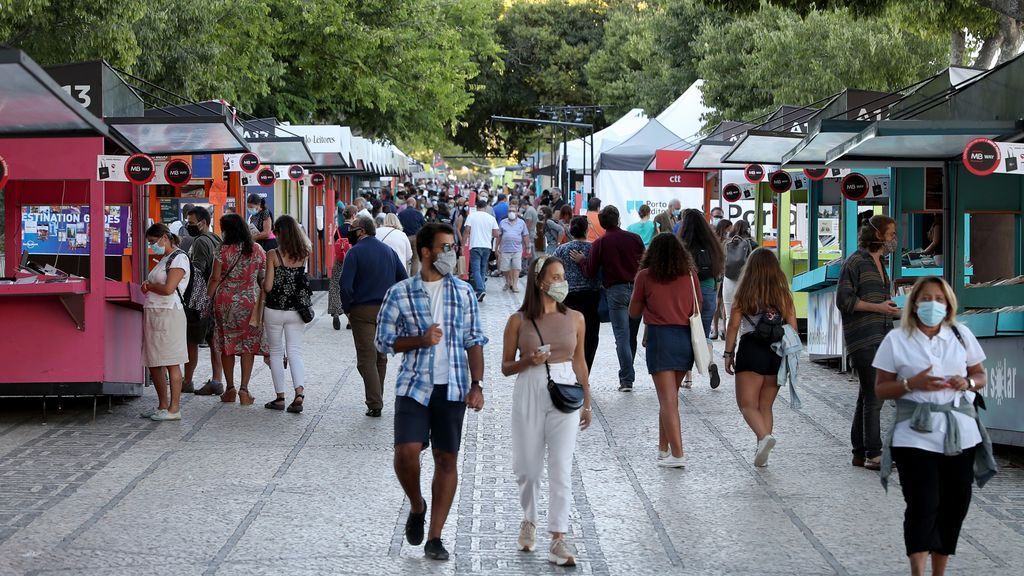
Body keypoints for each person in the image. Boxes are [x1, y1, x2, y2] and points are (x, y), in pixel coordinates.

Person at [376, 223, 487, 561]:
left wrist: (477, 384)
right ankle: (416, 504)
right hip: (414, 385)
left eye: (454, 247)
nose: (451, 253)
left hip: (452, 387)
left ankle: (435, 537)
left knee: (446, 458)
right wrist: (420, 340)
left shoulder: (464, 292)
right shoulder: (400, 292)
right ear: (426, 251)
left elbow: (475, 340)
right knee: (406, 452)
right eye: (445, 247)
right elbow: (382, 341)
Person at [873, 276, 995, 576]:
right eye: (926, 298)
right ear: (914, 303)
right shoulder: (897, 339)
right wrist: (911, 384)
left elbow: (980, 375)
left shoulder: (961, 335)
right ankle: (918, 569)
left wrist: (966, 382)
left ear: (948, 303)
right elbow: (880, 388)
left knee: (955, 505)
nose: (932, 304)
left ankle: (939, 569)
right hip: (914, 435)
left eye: (939, 299)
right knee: (923, 503)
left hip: (959, 434)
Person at [502, 256, 591, 565]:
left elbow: (580, 361)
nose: (561, 282)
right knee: (527, 467)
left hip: (565, 388)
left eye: (562, 276)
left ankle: (558, 537)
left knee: (561, 467)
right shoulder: (518, 320)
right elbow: (505, 367)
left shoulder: (576, 318)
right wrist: (529, 361)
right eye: (555, 277)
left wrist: (588, 402)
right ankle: (529, 518)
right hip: (529, 386)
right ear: (540, 281)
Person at [628, 233, 700, 468]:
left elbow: (633, 312)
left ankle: (678, 454)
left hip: (661, 338)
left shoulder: (645, 277)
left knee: (667, 400)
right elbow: (697, 305)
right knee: (670, 397)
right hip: (684, 339)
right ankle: (663, 448)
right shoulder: (690, 276)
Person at [837, 214, 901, 470]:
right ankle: (874, 453)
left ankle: (860, 451)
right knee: (875, 395)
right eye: (891, 233)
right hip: (862, 337)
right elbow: (844, 301)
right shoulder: (855, 262)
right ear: (877, 234)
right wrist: (878, 308)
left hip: (882, 335)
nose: (894, 239)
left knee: (867, 395)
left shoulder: (881, 261)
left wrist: (891, 310)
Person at [723, 248, 798, 467]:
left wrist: (728, 353)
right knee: (765, 406)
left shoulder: (744, 292)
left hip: (751, 350)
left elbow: (733, 325)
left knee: (747, 405)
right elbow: (792, 328)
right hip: (775, 354)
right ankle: (762, 450)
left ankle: (764, 438)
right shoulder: (784, 295)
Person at [571, 205, 645, 391]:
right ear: (618, 219)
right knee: (632, 336)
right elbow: (645, 263)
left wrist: (581, 261)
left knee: (621, 336)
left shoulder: (601, 243)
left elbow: (590, 271)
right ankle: (627, 374)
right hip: (637, 289)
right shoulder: (635, 238)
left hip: (616, 291)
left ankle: (627, 380)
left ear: (602, 224)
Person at [341, 215, 409, 418]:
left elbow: (345, 284)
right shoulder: (388, 251)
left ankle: (375, 402)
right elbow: (403, 279)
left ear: (361, 231)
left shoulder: (354, 253)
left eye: (352, 228)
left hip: (362, 311)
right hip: (387, 310)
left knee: (366, 358)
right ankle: (376, 398)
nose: (349, 232)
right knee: (381, 357)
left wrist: (348, 308)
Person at [206, 214, 266, 406]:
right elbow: (263, 276)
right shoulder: (256, 249)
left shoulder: (221, 250)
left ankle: (230, 388)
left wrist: (207, 298)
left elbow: (215, 278)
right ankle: (244, 389)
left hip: (225, 302)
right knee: (247, 344)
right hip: (249, 301)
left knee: (227, 343)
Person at [140, 223, 190, 421]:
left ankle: (174, 408)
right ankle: (162, 405)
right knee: (155, 362)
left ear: (164, 238)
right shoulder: (164, 259)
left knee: (170, 361)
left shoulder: (179, 258)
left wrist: (150, 286)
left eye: (153, 242)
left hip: (170, 313)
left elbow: (169, 288)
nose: (152, 246)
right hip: (155, 312)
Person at [262, 215, 311, 413]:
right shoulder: (303, 253)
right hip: (297, 310)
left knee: (275, 352)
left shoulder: (273, 254)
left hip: (274, 309)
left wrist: (261, 279)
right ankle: (299, 393)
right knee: (295, 352)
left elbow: (268, 286)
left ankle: (280, 397)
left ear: (280, 233)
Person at [678, 209, 725, 389]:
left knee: (688, 334)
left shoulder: (683, 245)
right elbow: (719, 273)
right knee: (703, 333)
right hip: (709, 293)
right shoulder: (713, 245)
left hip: (689, 294)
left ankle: (688, 378)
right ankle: (710, 362)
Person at [182, 206, 225, 395]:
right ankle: (217, 379)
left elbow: (197, 272)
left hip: (200, 297)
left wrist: (192, 300)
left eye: (191, 223)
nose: (188, 226)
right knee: (214, 339)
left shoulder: (200, 242)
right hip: (216, 296)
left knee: (191, 339)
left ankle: (188, 380)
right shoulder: (216, 239)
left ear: (203, 222)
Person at [553, 217, 601, 370]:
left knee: (569, 334)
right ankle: (585, 370)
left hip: (569, 297)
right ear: (587, 230)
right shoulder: (593, 248)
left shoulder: (562, 249)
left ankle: (570, 368)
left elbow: (551, 269)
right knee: (590, 336)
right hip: (591, 297)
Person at [463, 198, 500, 302]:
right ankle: (482, 288)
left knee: (475, 270)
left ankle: (480, 289)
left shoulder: (471, 216)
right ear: (485, 207)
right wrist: (488, 233)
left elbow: (466, 231)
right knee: (483, 269)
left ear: (476, 207)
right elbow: (497, 234)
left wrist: (463, 244)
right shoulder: (491, 218)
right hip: (487, 246)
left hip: (475, 245)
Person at [723, 220, 758, 325]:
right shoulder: (753, 244)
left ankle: (730, 340)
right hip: (746, 280)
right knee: (745, 314)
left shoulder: (727, 243)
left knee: (729, 315)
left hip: (729, 278)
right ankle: (740, 340)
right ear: (748, 230)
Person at [328, 206, 357, 330]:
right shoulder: (355, 229)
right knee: (353, 286)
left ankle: (335, 312)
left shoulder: (338, 230)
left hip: (339, 261)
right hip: (353, 261)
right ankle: (351, 318)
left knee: (335, 285)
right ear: (354, 215)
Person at [497, 202, 529, 292]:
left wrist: (527, 247)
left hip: (517, 249)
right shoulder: (503, 222)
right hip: (505, 249)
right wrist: (497, 248)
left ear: (517, 212)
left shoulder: (521, 223)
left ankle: (514, 285)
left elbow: (525, 235)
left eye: (513, 211)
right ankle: (508, 281)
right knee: (505, 268)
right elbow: (499, 236)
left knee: (516, 267)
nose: (511, 212)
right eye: (509, 211)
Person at [710, 218, 734, 340]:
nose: (731, 229)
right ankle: (722, 329)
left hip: (718, 274)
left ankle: (717, 329)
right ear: (726, 228)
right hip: (723, 274)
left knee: (719, 302)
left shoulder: (714, 240)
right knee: (722, 303)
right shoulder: (727, 242)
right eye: (730, 227)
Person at [399, 196, 427, 275]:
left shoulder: (401, 213)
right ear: (414, 204)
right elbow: (424, 225)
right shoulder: (418, 213)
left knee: (405, 258)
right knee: (415, 258)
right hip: (416, 237)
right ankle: (413, 276)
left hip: (404, 237)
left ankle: (404, 275)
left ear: (407, 204)